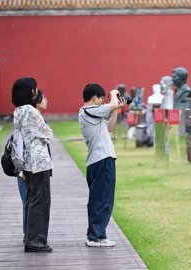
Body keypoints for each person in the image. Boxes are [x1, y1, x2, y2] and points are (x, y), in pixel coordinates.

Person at [79, 83, 125, 247]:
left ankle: (97, 234)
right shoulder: (88, 110)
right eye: (101, 99)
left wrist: (116, 109)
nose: (102, 103)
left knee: (102, 198)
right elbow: (110, 104)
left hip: (101, 160)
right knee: (101, 199)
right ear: (94, 98)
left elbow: (110, 127)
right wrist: (113, 93)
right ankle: (95, 236)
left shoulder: (92, 115)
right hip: (101, 160)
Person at [12, 77, 53, 253]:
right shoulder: (31, 111)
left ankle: (31, 238)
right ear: (30, 92)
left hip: (28, 162)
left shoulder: (19, 111)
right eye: (34, 89)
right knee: (41, 202)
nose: (36, 92)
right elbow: (47, 133)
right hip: (39, 163)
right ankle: (36, 242)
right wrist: (46, 130)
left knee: (32, 201)